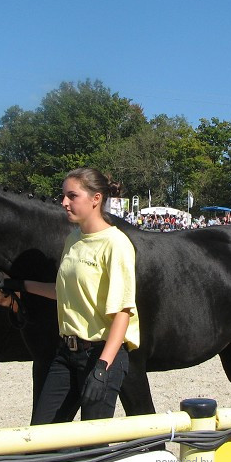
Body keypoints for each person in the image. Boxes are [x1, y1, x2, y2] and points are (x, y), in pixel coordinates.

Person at [24, 168, 139, 424]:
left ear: (95, 199)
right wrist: (19, 285)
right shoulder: (73, 239)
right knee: (42, 434)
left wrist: (102, 368)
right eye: (64, 196)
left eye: (72, 196)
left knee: (92, 446)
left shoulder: (116, 244)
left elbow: (123, 313)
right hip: (66, 353)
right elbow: (62, 292)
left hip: (101, 355)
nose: (64, 202)